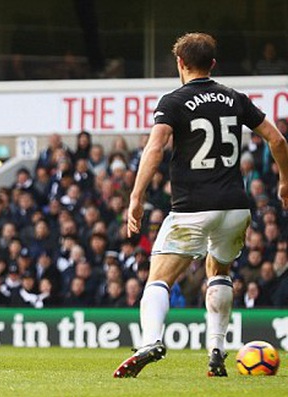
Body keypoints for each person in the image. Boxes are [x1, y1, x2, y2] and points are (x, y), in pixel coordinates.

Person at [114, 33, 288, 378]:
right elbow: (277, 138)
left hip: (192, 207)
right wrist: (284, 181)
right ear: (213, 64)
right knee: (219, 271)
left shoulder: (174, 101)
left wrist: (135, 198)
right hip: (236, 208)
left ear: (180, 63)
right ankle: (217, 349)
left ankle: (150, 340)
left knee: (159, 279)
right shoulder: (235, 98)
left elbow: (155, 148)